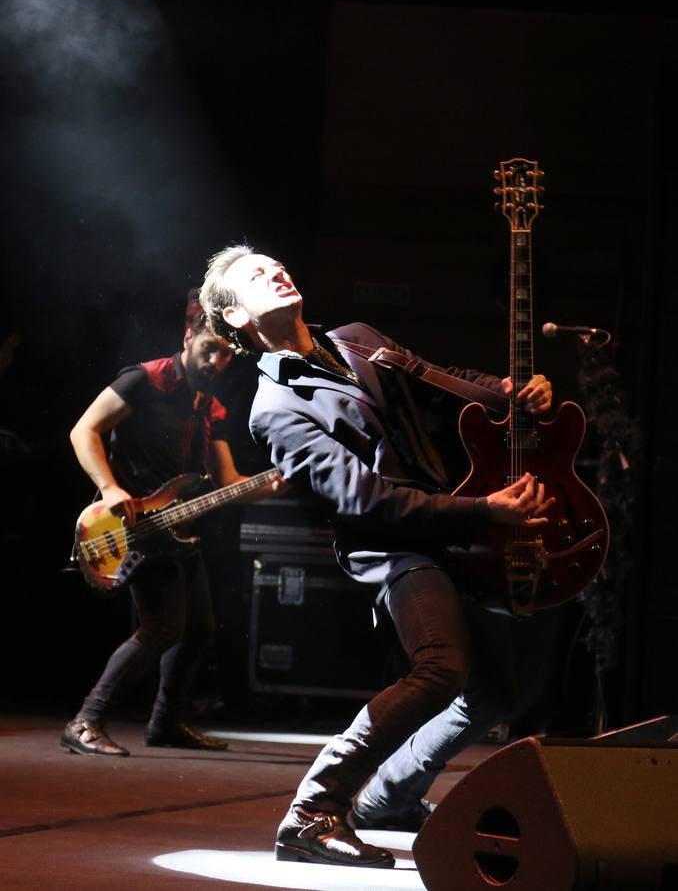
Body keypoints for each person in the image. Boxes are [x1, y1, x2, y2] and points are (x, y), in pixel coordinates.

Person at [199, 244, 555, 868]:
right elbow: (363, 501)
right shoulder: (274, 410)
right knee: (442, 667)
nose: (277, 271)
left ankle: (389, 796)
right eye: (255, 276)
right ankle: (312, 811)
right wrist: (484, 512)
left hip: (453, 524)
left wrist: (507, 393)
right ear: (236, 318)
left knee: (495, 694)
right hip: (392, 546)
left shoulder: (356, 339)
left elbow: (443, 383)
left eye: (276, 263)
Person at [61, 302, 278, 757]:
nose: (215, 362)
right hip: (130, 524)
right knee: (161, 626)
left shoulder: (209, 406)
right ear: (187, 337)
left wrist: (273, 484)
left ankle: (166, 723)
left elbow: (227, 483)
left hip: (177, 530)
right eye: (209, 349)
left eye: (225, 356)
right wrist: (109, 488)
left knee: (199, 627)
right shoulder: (145, 379)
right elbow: (84, 431)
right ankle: (85, 720)